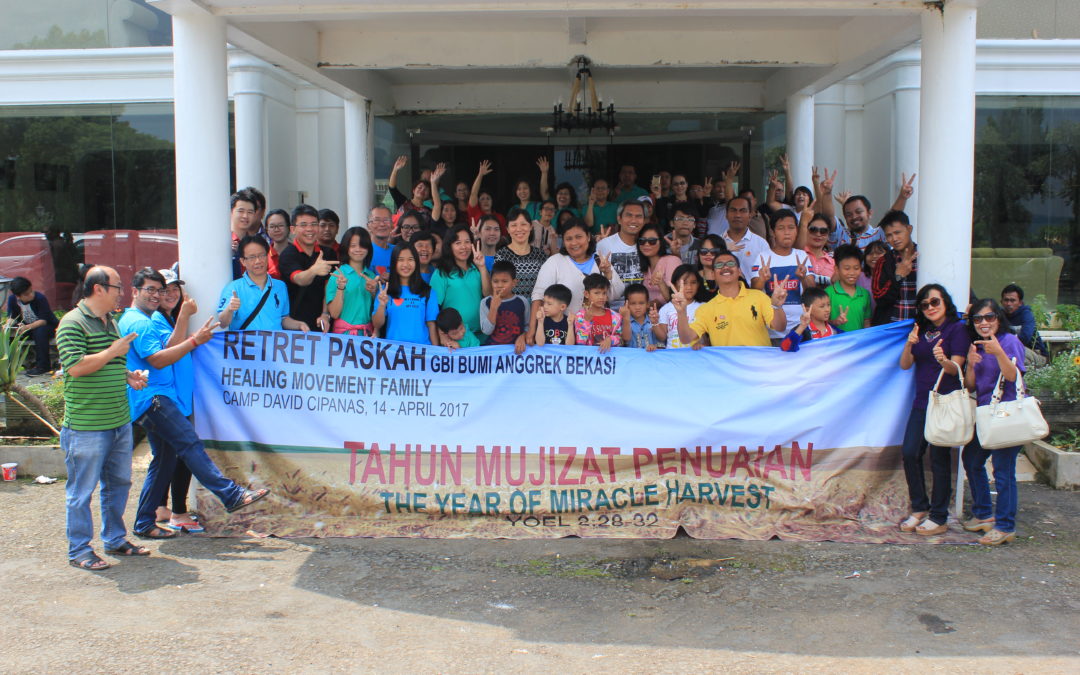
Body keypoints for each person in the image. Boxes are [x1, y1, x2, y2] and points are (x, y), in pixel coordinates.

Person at [118, 268, 269, 542]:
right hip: (153, 398)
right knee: (189, 443)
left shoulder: (147, 319)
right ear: (135, 291)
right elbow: (158, 360)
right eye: (150, 290)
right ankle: (230, 494)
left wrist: (188, 328)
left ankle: (144, 522)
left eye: (160, 290)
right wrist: (194, 340)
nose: (156, 295)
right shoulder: (139, 322)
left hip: (157, 397)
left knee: (164, 461)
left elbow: (169, 348)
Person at [57, 266, 148, 570]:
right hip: (87, 426)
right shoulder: (72, 323)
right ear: (98, 289)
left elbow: (109, 363)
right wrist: (112, 351)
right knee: (81, 492)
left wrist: (128, 375)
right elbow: (75, 367)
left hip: (119, 420)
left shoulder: (111, 321)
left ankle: (115, 539)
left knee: (119, 483)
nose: (121, 292)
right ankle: (79, 550)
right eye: (117, 286)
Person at [897, 284, 970, 536]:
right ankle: (919, 507)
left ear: (945, 302)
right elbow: (905, 365)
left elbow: (956, 369)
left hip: (944, 401)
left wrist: (942, 359)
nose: (930, 307)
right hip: (921, 401)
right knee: (910, 452)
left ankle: (939, 516)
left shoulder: (957, 329)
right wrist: (909, 344)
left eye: (935, 302)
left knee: (939, 459)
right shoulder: (921, 330)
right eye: (925, 304)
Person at [962, 298, 1027, 546]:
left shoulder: (1009, 341)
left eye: (989, 317)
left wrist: (999, 352)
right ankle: (983, 514)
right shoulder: (977, 345)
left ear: (999, 318)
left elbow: (1013, 377)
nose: (984, 323)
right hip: (986, 415)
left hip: (1007, 415)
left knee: (1003, 469)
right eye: (977, 318)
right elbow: (971, 386)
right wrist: (971, 364)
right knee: (972, 459)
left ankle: (1005, 526)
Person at [152, 269, 201, 533]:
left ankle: (161, 507)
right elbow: (170, 348)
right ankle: (179, 512)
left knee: (166, 455)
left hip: (176, 397)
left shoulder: (167, 317)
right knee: (184, 454)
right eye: (165, 290)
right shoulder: (158, 319)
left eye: (175, 289)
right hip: (169, 398)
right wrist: (184, 316)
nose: (171, 294)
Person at [674, 250, 788, 347]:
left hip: (758, 364)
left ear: (739, 271)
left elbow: (780, 327)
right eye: (719, 265)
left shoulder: (759, 297)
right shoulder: (706, 309)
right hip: (726, 367)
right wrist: (681, 312)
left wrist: (777, 307)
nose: (725, 267)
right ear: (713, 274)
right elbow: (686, 338)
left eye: (730, 263)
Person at [530, 219, 624, 330]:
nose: (574, 243)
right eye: (569, 239)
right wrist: (532, 330)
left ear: (588, 237)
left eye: (579, 237)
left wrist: (608, 273)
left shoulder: (600, 260)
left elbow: (616, 295)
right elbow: (539, 296)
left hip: (598, 332)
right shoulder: (554, 262)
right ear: (563, 241)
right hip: (563, 332)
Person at [218, 236, 310, 332]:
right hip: (244, 342)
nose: (258, 261)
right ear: (243, 261)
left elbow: (283, 319)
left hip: (273, 342)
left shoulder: (280, 286)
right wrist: (230, 309)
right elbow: (223, 323)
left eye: (262, 255)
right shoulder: (233, 287)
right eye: (252, 257)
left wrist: (299, 325)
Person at [752, 209, 815, 342]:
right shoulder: (763, 257)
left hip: (800, 328)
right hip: (772, 329)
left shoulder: (802, 256)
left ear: (797, 230)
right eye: (781, 228)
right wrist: (762, 280)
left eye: (791, 227)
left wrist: (803, 278)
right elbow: (754, 291)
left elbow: (812, 290)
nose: (787, 232)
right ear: (773, 232)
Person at [279, 204, 340, 331]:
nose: (309, 229)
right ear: (293, 229)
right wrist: (314, 270)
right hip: (295, 326)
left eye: (314, 224)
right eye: (303, 225)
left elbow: (329, 287)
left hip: (322, 325)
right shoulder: (288, 254)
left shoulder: (328, 253)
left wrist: (325, 314)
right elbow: (300, 279)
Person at [430, 225, 492, 340]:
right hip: (456, 338)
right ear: (450, 246)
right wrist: (442, 336)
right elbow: (433, 307)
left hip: (482, 335)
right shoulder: (442, 272)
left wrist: (482, 267)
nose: (464, 247)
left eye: (467, 242)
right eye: (458, 243)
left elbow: (488, 294)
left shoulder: (477, 268)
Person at [372, 243, 439, 345]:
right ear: (394, 263)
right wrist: (382, 305)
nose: (406, 264)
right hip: (394, 351)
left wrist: (436, 351)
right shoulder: (385, 290)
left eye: (410, 259)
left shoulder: (428, 292)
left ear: (416, 262)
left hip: (421, 351)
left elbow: (431, 325)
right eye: (401, 260)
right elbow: (377, 325)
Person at [326, 227, 379, 336]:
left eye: (362, 245)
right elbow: (334, 314)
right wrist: (340, 288)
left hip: (367, 336)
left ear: (368, 248)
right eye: (353, 245)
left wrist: (374, 293)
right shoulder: (337, 275)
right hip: (343, 337)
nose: (358, 249)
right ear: (346, 248)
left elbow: (377, 312)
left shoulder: (372, 277)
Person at [596, 200, 649, 304]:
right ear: (619, 219)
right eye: (629, 215)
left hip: (641, 308)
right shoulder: (604, 245)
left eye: (638, 216)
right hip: (611, 308)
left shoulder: (649, 245)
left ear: (644, 221)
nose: (633, 220)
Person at [872, 210, 918, 325]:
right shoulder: (884, 261)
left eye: (897, 232)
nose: (894, 239)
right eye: (889, 235)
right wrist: (898, 276)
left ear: (909, 229)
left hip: (920, 327)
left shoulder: (925, 257)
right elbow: (879, 298)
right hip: (891, 326)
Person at [7, 276, 59, 375]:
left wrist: (26, 327)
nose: (31, 295)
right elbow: (12, 317)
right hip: (28, 329)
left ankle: (43, 366)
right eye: (27, 294)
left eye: (31, 291)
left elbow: (43, 321)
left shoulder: (40, 298)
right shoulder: (12, 300)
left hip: (48, 327)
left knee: (40, 331)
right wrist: (8, 325)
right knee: (8, 334)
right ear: (18, 296)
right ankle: (9, 365)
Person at [716, 196, 770, 285]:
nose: (737, 215)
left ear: (750, 215)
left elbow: (767, 276)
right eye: (733, 210)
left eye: (743, 211)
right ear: (726, 215)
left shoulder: (761, 244)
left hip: (754, 293)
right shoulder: (716, 243)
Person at [655, 265, 708, 349]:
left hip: (696, 354)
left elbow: (709, 338)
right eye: (684, 283)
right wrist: (654, 323)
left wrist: (703, 345)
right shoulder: (666, 309)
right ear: (674, 284)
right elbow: (662, 337)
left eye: (693, 282)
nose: (689, 287)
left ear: (698, 284)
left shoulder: (704, 307)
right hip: (673, 354)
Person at [479, 260, 528, 352]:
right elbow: (486, 331)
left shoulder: (522, 301)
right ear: (491, 282)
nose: (500, 285)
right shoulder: (485, 302)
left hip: (516, 352)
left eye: (505, 281)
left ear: (514, 283)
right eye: (495, 281)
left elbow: (528, 326)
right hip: (493, 352)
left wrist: (523, 336)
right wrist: (493, 308)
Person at [825, 245, 872, 332]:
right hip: (838, 340)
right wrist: (835, 322)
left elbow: (867, 321)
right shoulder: (828, 293)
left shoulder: (865, 294)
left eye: (856, 268)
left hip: (860, 340)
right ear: (837, 269)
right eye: (847, 268)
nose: (852, 273)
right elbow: (821, 323)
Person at [780, 287, 841, 352]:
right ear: (807, 309)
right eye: (822, 306)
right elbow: (785, 348)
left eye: (828, 305)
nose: (827, 309)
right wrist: (802, 326)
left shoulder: (835, 331)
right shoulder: (803, 331)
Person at [1000, 284, 1048, 365]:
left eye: (1012, 300)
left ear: (1020, 303)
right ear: (1001, 302)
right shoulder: (998, 315)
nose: (1008, 304)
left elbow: (1025, 338)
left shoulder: (1026, 314)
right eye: (1006, 300)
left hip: (1036, 354)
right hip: (1010, 351)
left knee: (1013, 354)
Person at [574, 273, 621, 353]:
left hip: (609, 357)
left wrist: (610, 340)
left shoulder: (615, 317)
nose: (601, 297)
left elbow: (620, 339)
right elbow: (580, 343)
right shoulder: (580, 316)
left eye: (604, 293)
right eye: (597, 293)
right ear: (586, 294)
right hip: (589, 358)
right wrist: (586, 322)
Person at [637, 224, 681, 305]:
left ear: (661, 242)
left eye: (652, 241)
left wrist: (651, 304)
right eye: (642, 241)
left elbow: (674, 292)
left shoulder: (672, 260)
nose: (646, 244)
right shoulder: (644, 266)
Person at [506, 157, 551, 221]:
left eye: (525, 188)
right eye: (519, 189)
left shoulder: (538, 206)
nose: (522, 191)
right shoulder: (513, 209)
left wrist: (544, 173)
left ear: (531, 190)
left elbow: (545, 192)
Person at [468, 160, 506, 235]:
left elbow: (504, 236)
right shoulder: (475, 213)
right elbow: (473, 194)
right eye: (482, 199)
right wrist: (480, 175)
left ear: (492, 201)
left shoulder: (500, 217)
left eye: (488, 198)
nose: (485, 201)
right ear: (478, 202)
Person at [619, 283, 660, 350]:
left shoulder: (653, 320)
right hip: (633, 356)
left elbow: (660, 340)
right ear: (626, 305)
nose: (637, 307)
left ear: (647, 304)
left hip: (651, 355)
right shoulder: (624, 322)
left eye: (641, 303)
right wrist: (626, 318)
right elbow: (626, 339)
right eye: (633, 303)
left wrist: (654, 347)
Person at [229, 189, 258, 279]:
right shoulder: (223, 240)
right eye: (241, 211)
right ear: (231, 212)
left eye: (250, 212)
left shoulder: (256, 244)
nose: (245, 216)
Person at [367, 205, 396, 280]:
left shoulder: (398, 251)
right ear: (368, 226)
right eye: (376, 220)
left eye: (386, 220)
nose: (382, 224)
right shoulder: (363, 251)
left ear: (392, 225)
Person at [264, 208, 291, 280]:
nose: (276, 230)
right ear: (267, 229)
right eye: (272, 226)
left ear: (288, 227)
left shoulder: (297, 253)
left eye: (281, 225)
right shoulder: (263, 256)